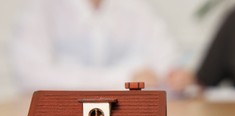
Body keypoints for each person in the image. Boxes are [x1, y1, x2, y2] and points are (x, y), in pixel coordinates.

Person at [10, 0, 191, 91]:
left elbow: (165, 58)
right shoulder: (42, 7)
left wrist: (174, 76)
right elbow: (32, 76)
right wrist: (125, 79)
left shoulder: (135, 6)